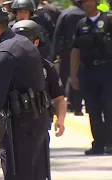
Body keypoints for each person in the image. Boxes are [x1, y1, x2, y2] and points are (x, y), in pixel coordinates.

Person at [0, 3, 50, 179]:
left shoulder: (5, 52)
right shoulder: (20, 42)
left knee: (17, 173)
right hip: (36, 119)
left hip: (21, 124)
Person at [12, 19, 67, 179]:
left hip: (39, 125)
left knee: (39, 170)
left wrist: (60, 120)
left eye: (27, 41)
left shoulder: (46, 67)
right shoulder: (6, 64)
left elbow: (59, 98)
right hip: (14, 126)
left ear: (36, 42)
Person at [70, 0, 112, 156]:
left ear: (96, 2)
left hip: (108, 70)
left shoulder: (108, 20)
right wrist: (73, 74)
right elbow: (75, 51)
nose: (87, 3)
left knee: (109, 106)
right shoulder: (81, 24)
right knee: (93, 109)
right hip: (88, 71)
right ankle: (98, 144)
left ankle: (110, 143)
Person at [52, 0, 85, 116]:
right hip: (82, 50)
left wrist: (55, 52)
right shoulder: (86, 14)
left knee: (63, 77)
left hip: (66, 51)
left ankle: (61, 104)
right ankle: (77, 106)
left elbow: (57, 34)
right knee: (78, 76)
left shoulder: (66, 13)